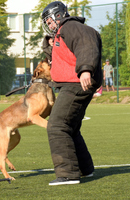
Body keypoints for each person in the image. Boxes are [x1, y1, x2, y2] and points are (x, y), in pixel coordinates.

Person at [42, 1, 102, 186]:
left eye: (50, 21)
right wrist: (50, 43)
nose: (49, 25)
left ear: (59, 15)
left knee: (57, 126)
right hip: (72, 85)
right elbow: (59, 57)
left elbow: (87, 42)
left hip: (76, 84)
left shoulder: (72, 26)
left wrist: (85, 69)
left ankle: (67, 174)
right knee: (71, 128)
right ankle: (86, 169)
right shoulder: (62, 33)